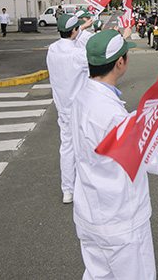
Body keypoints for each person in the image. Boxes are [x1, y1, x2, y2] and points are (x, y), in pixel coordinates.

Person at [70, 29, 158, 279]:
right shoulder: (111, 115)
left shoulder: (81, 97)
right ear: (120, 62)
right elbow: (151, 160)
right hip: (121, 221)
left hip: (89, 215)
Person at [46, 14, 93, 203]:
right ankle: (87, 188)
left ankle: (68, 190)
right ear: (73, 30)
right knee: (87, 147)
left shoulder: (52, 49)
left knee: (66, 148)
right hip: (80, 109)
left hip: (63, 109)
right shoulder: (78, 55)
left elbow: (69, 39)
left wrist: (81, 28)